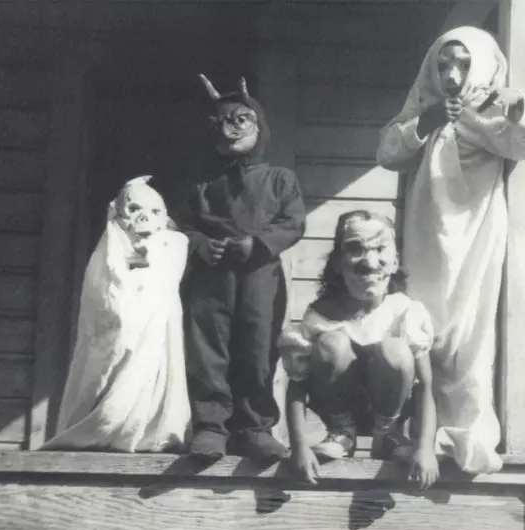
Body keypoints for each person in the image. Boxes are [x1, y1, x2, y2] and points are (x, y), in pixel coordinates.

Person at [376, 26, 525, 473]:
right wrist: (428, 121)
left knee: (470, 331)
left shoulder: (493, 110)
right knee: (422, 323)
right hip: (426, 230)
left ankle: (466, 434)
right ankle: (417, 432)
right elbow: (388, 151)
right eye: (443, 65)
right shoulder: (426, 104)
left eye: (463, 64)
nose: (453, 75)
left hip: (475, 233)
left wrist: (518, 105)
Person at [180, 75, 306, 461]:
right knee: (208, 347)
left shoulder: (279, 178)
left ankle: (254, 427)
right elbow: (180, 224)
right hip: (211, 279)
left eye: (239, 120)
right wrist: (199, 243)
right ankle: (211, 426)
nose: (228, 129)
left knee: (258, 346)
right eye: (219, 122)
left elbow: (294, 222)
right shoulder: (202, 183)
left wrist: (259, 243)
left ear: (259, 126)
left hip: (260, 278)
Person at [279, 211, 439, 489]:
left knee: (394, 350)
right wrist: (299, 446)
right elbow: (297, 386)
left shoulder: (404, 312)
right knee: (332, 344)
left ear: (395, 261)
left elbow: (425, 385)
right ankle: (342, 434)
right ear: (338, 263)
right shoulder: (321, 316)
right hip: (337, 405)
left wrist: (425, 447)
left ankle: (386, 437)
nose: (370, 262)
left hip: (390, 409)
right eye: (356, 249)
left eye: (380, 249)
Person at [43, 176, 192, 452]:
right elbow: (104, 294)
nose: (144, 218)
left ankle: (144, 429)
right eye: (134, 210)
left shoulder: (172, 245)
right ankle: (103, 423)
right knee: (109, 364)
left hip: (153, 330)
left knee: (150, 364)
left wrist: (150, 254)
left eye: (154, 212)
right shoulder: (109, 248)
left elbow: (164, 282)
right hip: (116, 330)